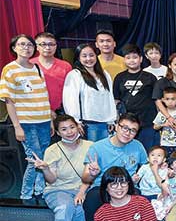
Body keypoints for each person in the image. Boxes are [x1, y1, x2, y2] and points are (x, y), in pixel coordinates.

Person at [81, 113, 148, 221]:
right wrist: (92, 173)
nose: (128, 133)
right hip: (103, 187)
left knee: (139, 198)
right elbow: (85, 178)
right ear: (116, 126)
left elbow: (146, 167)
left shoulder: (137, 146)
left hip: (128, 188)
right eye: (124, 128)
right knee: (91, 198)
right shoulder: (97, 147)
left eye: (133, 130)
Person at [32, 115, 92, 221]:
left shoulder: (90, 146)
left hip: (82, 188)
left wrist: (81, 192)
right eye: (64, 129)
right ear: (58, 133)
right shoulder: (52, 150)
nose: (69, 132)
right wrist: (45, 169)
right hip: (58, 189)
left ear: (78, 127)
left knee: (85, 207)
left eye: (72, 127)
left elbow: (91, 174)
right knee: (65, 207)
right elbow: (51, 180)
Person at [0, 34, 53, 201]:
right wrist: (17, 126)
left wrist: (50, 120)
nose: (26, 48)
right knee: (34, 159)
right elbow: (9, 100)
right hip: (26, 123)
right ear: (14, 48)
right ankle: (26, 194)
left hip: (44, 120)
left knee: (43, 157)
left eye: (30, 45)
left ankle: (40, 190)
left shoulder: (37, 67)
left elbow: (44, 95)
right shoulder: (10, 69)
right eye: (22, 44)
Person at [62, 43, 117, 142]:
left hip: (105, 123)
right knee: (91, 150)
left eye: (91, 55)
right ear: (78, 58)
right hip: (87, 124)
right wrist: (75, 121)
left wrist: (111, 119)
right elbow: (70, 100)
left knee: (104, 150)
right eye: (84, 56)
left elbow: (110, 98)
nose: (88, 59)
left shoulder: (104, 75)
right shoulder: (75, 75)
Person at [112, 44, 159, 150]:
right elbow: (116, 101)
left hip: (147, 123)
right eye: (128, 58)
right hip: (127, 124)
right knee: (127, 151)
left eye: (135, 57)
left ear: (141, 59)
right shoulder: (119, 77)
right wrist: (116, 121)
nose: (132, 60)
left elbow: (157, 101)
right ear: (124, 60)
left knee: (148, 151)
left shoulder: (150, 77)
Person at [30, 32, 72, 115]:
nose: (47, 47)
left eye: (51, 44)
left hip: (61, 111)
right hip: (35, 111)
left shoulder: (66, 66)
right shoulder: (29, 65)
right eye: (43, 44)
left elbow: (70, 91)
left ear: (56, 46)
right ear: (37, 47)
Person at [151, 148, 176, 221]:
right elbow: (165, 188)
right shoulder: (170, 174)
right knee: (155, 212)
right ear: (172, 165)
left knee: (171, 215)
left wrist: (171, 206)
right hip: (167, 197)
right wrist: (170, 178)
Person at [153, 87, 176, 156]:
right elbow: (155, 127)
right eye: (167, 99)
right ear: (163, 100)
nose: (170, 102)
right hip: (166, 144)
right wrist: (164, 124)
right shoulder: (162, 113)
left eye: (173, 99)